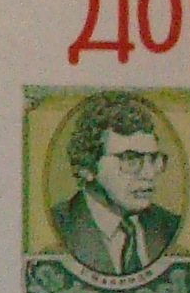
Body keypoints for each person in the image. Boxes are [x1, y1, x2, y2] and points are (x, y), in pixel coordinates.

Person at [51, 91, 180, 275]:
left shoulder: (170, 226)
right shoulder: (58, 227)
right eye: (131, 159)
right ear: (87, 168)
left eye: (153, 159)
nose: (149, 173)